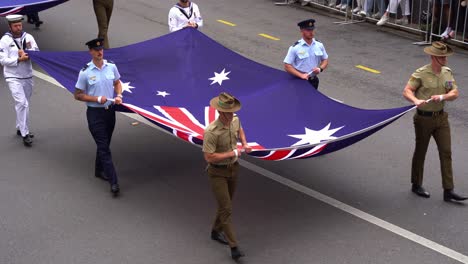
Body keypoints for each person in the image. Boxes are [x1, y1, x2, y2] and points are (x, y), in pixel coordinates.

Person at [403, 41, 467, 203]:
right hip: (423, 118)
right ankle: (416, 184)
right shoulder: (421, 73)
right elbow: (407, 91)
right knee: (421, 151)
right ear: (433, 57)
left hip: (441, 118)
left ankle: (448, 190)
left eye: (445, 56)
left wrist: (443, 97)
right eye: (441, 57)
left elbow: (454, 92)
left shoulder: (447, 73)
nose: (445, 59)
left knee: (446, 152)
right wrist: (415, 100)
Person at [202, 92, 252, 260]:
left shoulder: (235, 121)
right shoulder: (211, 132)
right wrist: (232, 152)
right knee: (227, 209)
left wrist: (245, 144)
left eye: (233, 111)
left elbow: (240, 130)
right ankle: (234, 247)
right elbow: (209, 157)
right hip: (217, 172)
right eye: (229, 112)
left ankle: (215, 231)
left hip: (233, 169)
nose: (232, 115)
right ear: (220, 112)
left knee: (226, 204)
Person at [74, 38, 123, 196]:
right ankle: (114, 181)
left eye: (101, 48)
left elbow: (117, 82)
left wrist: (119, 94)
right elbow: (78, 95)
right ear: (91, 52)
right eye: (96, 50)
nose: (99, 51)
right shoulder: (85, 72)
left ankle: (98, 170)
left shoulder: (111, 67)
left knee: (105, 143)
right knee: (104, 147)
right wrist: (96, 99)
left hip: (110, 111)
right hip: (95, 114)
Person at [0, 14, 39, 147]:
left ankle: (19, 126)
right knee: (22, 103)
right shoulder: (4, 40)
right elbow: (2, 60)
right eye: (15, 26)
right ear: (10, 27)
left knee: (24, 103)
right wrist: (18, 59)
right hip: (12, 76)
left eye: (20, 25)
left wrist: (28, 54)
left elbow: (37, 51)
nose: (18, 28)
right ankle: (25, 133)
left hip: (27, 75)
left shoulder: (28, 37)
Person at [283, 19, 329, 90]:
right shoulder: (295, 47)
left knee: (311, 100)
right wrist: (301, 75)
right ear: (301, 31)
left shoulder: (319, 45)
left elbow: (325, 59)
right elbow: (287, 66)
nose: (311, 32)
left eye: (312, 30)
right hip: (299, 81)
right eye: (308, 30)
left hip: (313, 80)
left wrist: (320, 69)